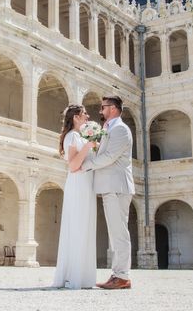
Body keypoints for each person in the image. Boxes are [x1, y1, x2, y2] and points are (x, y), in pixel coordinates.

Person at [81, 95, 134, 290]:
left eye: (103, 107)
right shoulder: (108, 129)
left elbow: (110, 157)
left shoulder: (120, 129)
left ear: (112, 108)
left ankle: (122, 276)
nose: (100, 111)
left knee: (119, 233)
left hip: (117, 186)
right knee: (116, 232)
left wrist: (85, 165)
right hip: (110, 186)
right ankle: (118, 274)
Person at [52, 104, 98, 289]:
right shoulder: (72, 136)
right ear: (76, 117)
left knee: (86, 227)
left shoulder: (79, 136)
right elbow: (73, 166)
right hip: (78, 184)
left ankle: (84, 276)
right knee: (78, 227)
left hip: (86, 185)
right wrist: (88, 145)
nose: (88, 116)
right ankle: (75, 276)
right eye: (84, 113)